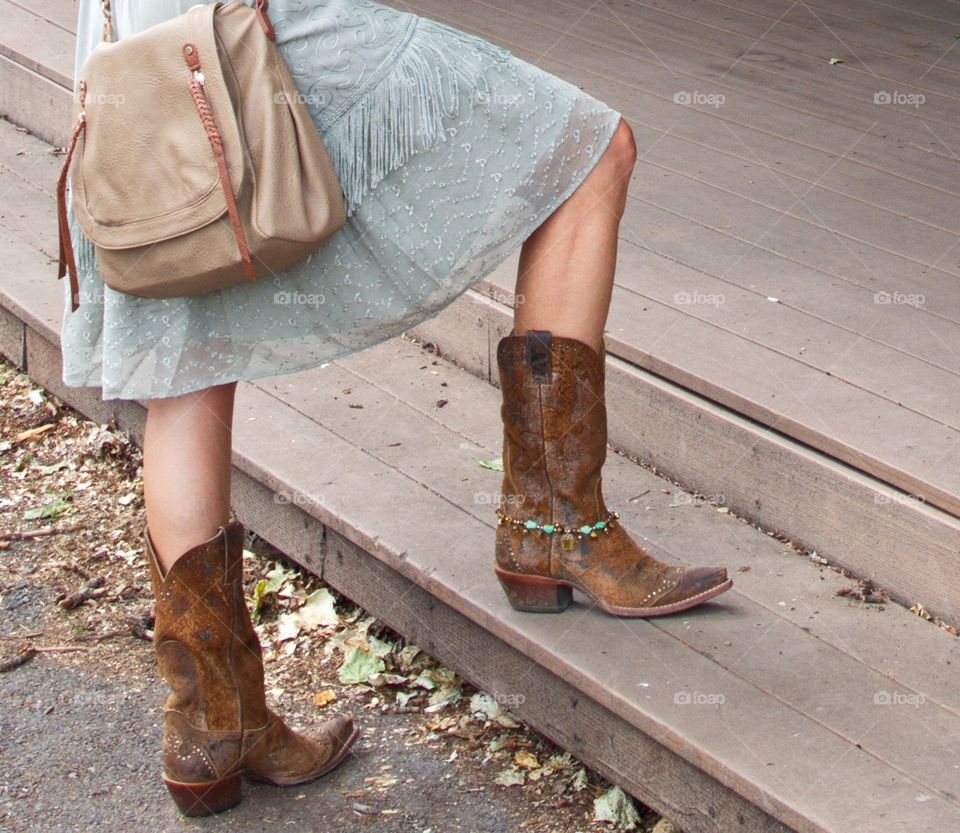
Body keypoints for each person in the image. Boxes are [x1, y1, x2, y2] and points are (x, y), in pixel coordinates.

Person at [63, 0, 731, 817]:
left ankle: (211, 725)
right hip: (250, 26)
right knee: (592, 150)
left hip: (136, 47)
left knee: (189, 335)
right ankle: (557, 525)